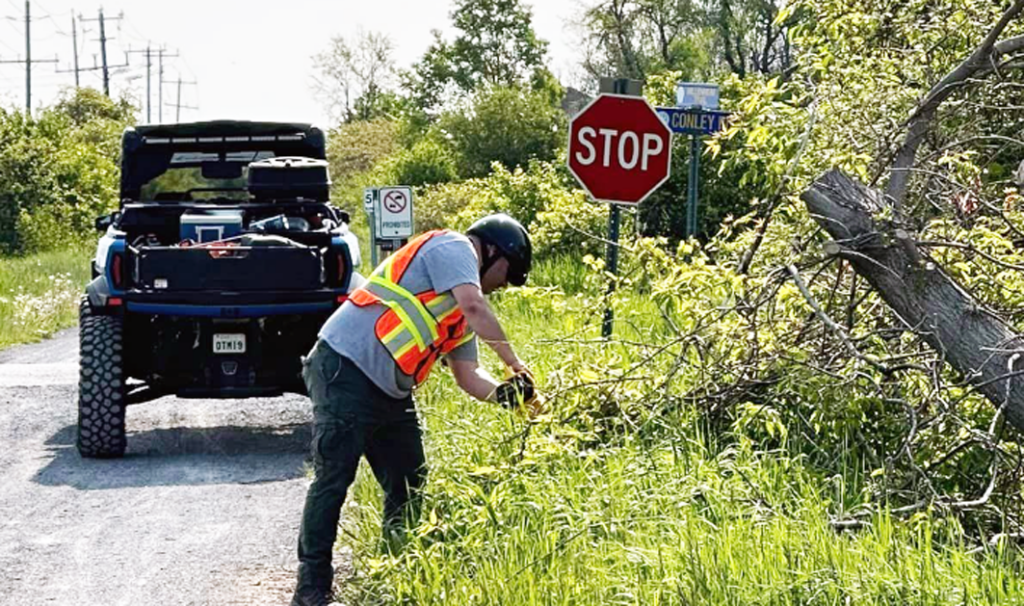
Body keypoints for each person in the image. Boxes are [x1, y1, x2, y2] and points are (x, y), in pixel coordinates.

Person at [290, 213, 540, 606]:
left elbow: (469, 376)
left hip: (389, 392)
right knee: (334, 477)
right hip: (344, 368)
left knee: (409, 482)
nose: (503, 285)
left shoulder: (458, 314)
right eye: (507, 274)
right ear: (493, 251)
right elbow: (476, 305)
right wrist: (517, 365)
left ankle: (393, 571)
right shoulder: (454, 247)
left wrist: (508, 395)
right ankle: (312, 589)